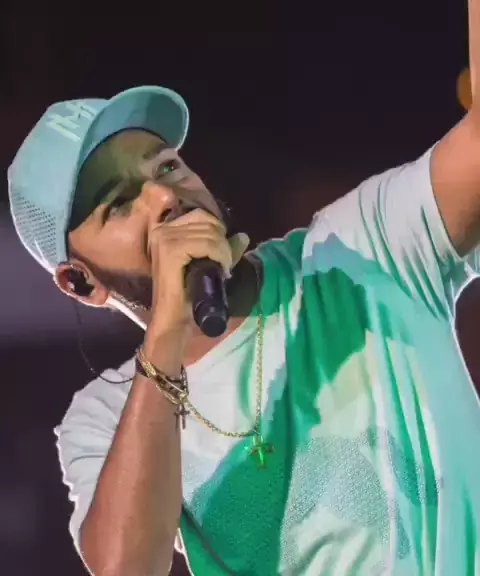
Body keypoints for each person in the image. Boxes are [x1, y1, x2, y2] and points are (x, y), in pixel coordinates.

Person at [7, 16, 480, 575]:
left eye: (167, 166)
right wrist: (169, 329)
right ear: (81, 282)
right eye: (120, 202)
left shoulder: (361, 247)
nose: (165, 197)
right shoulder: (105, 421)